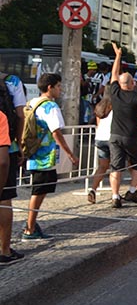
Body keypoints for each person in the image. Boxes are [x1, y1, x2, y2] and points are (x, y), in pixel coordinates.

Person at [22, 74, 79, 239]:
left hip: (33, 153)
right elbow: (56, 132)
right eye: (58, 86)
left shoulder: (32, 102)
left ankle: (31, 224)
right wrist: (70, 154)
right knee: (39, 191)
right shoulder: (51, 106)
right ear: (50, 87)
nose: (61, 89)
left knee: (39, 190)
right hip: (45, 156)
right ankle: (30, 228)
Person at [106, 43, 137, 207]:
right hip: (132, 137)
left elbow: (114, 73)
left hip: (115, 136)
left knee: (116, 167)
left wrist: (118, 56)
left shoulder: (114, 92)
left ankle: (115, 196)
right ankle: (132, 190)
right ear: (132, 83)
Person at [1, 71, 27, 263]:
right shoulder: (12, 81)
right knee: (4, 199)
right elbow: (20, 115)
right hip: (7, 147)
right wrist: (19, 143)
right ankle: (4, 250)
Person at [87, 97, 113, 203]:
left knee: (102, 167)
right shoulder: (113, 110)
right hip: (111, 138)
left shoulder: (99, 109)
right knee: (115, 167)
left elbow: (98, 124)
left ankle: (93, 189)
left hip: (100, 137)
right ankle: (115, 194)